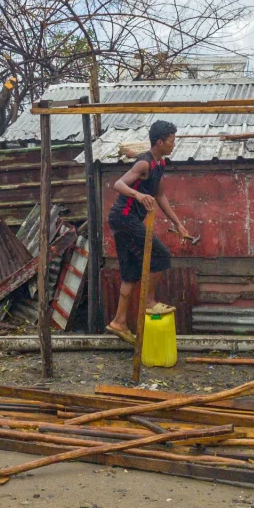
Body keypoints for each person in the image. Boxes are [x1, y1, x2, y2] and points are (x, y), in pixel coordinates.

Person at [106, 120, 192, 342]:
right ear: (160, 141)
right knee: (161, 255)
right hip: (123, 217)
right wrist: (137, 195)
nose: (174, 144)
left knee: (131, 273)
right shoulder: (144, 163)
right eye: (172, 141)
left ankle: (119, 322)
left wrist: (178, 224)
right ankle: (149, 300)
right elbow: (119, 184)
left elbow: (160, 195)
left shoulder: (159, 164)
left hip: (128, 220)